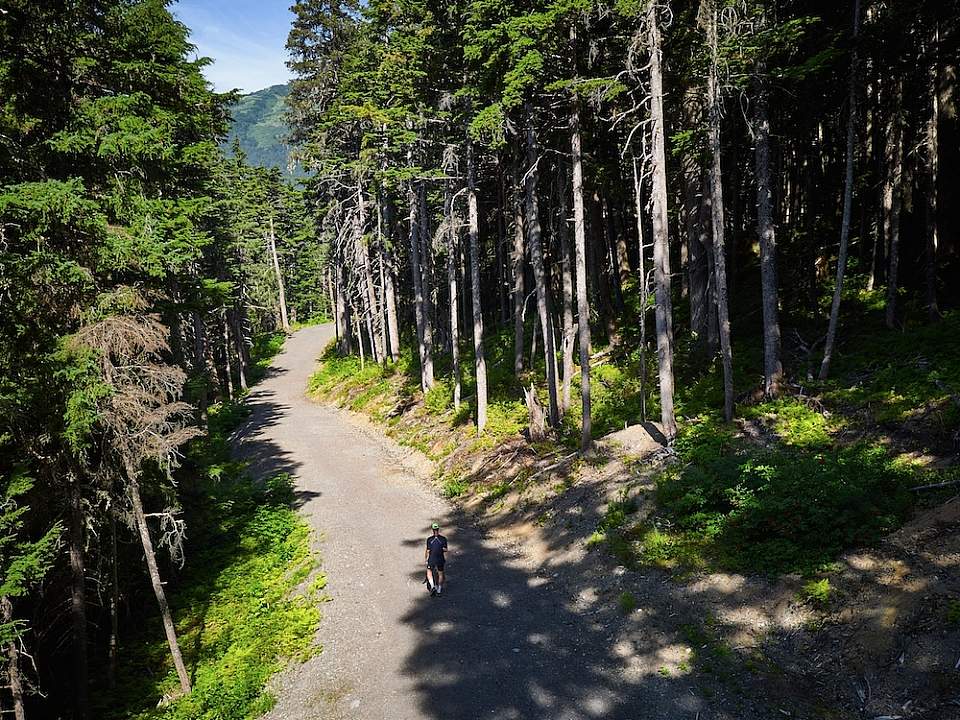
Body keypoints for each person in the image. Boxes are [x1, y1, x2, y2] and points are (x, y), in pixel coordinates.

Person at [424, 522, 448, 596]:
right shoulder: (443, 539)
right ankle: (439, 590)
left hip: (432, 559)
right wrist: (440, 549)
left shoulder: (429, 539)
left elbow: (428, 551)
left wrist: (426, 559)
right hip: (440, 558)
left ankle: (432, 586)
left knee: (429, 571)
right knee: (441, 574)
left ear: (432, 530)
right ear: (438, 529)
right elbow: (446, 549)